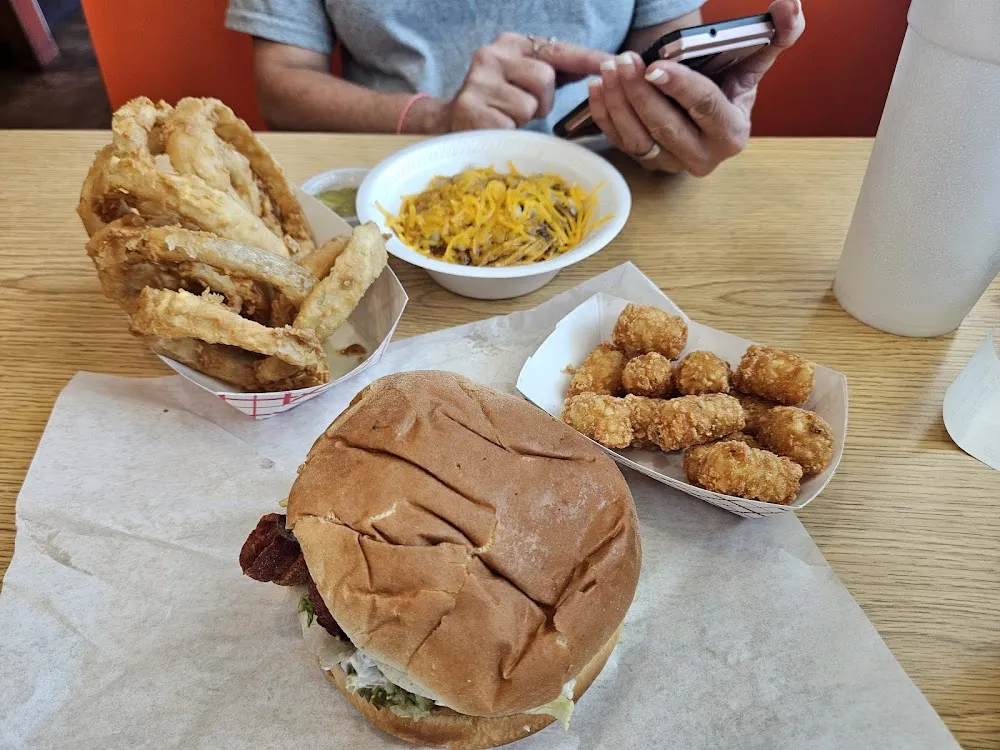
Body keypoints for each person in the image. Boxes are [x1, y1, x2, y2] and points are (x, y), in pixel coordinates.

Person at [225, 0, 804, 176]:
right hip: (390, 174)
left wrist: (678, 114)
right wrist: (436, 118)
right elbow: (281, 83)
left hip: (608, 175)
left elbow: (666, 37)